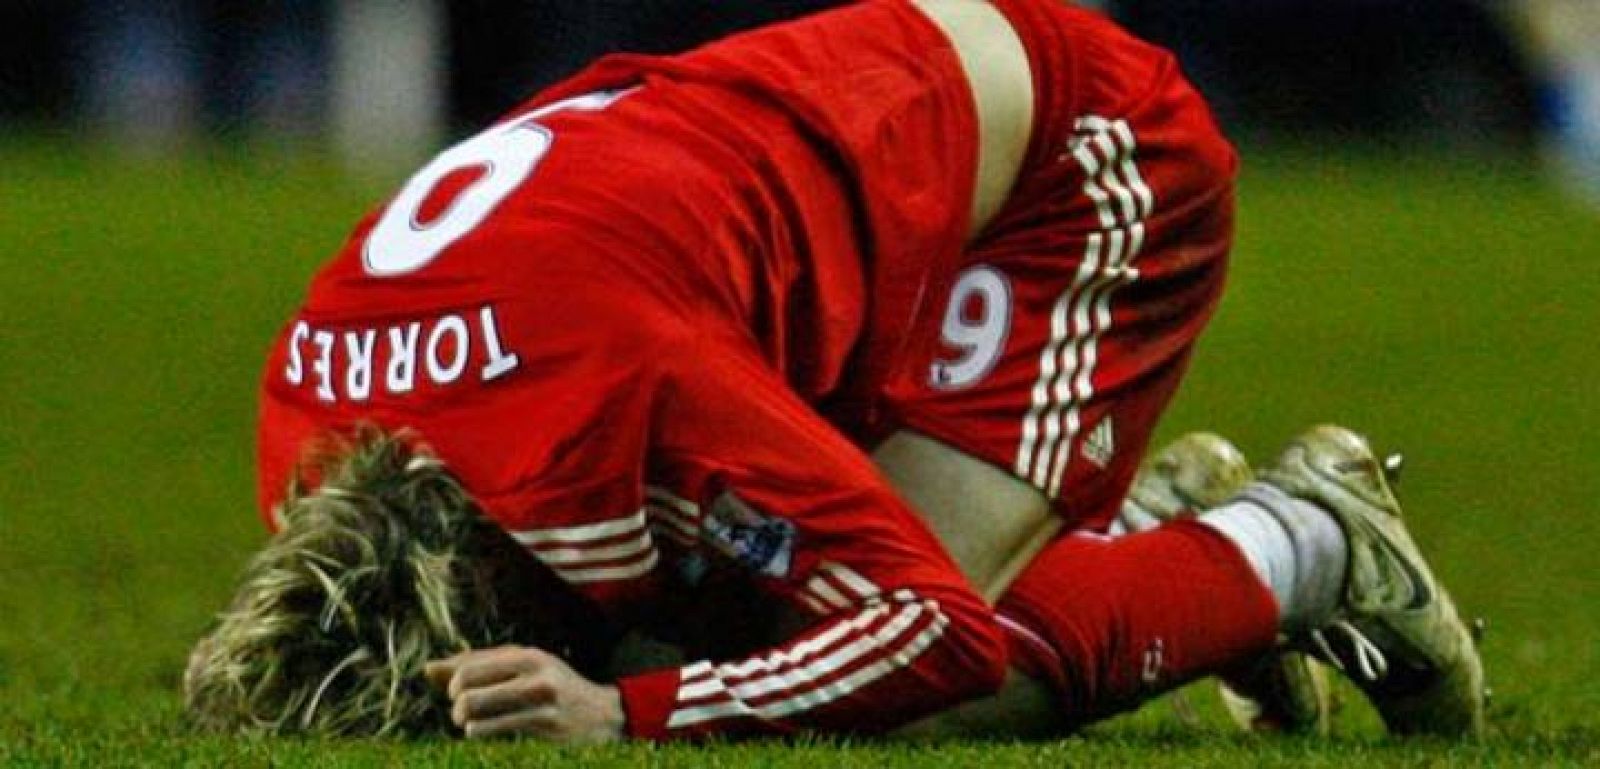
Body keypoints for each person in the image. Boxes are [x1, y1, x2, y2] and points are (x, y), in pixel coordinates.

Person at [184, 0, 1484, 742]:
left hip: (1081, 160)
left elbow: (934, 635)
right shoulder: (310, 415)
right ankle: (1136, 532)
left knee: (875, 681)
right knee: (718, 607)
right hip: (837, 178)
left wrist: (626, 712)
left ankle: (1307, 539)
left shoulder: (616, 407)